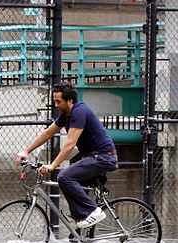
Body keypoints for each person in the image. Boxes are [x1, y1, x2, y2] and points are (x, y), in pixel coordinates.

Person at [16, 82, 118, 229]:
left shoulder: (79, 112)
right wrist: (26, 151)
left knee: (64, 177)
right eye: (54, 101)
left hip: (103, 157)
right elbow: (48, 133)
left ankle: (93, 211)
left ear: (70, 100)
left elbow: (70, 144)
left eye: (59, 101)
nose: (56, 105)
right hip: (91, 157)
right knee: (73, 187)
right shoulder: (66, 114)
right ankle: (80, 227)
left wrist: (53, 165)